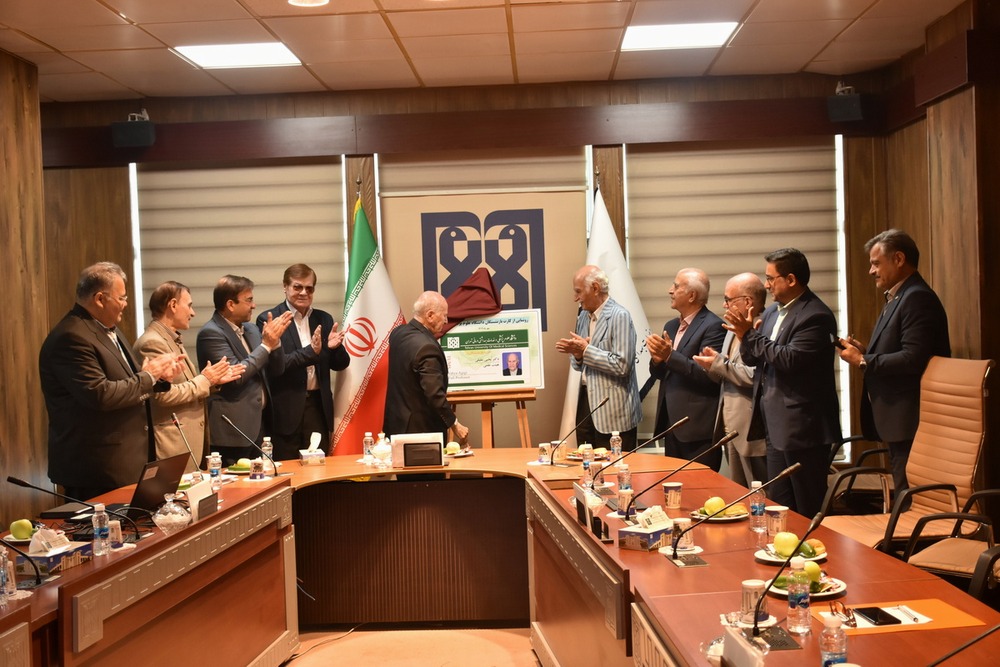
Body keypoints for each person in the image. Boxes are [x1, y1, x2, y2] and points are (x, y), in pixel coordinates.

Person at [40, 262, 181, 500]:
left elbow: (129, 382)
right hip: (96, 467)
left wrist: (158, 378)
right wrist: (149, 376)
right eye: (122, 298)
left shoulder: (108, 329)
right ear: (99, 299)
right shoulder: (71, 337)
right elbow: (101, 395)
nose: (126, 304)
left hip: (127, 460)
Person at [726, 248, 840, 517]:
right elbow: (754, 359)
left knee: (806, 505)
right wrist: (744, 336)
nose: (766, 285)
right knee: (779, 505)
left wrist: (749, 336)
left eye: (770, 278)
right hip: (774, 424)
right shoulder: (771, 314)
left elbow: (789, 359)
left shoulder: (816, 315)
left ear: (790, 279)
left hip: (804, 428)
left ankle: (812, 545)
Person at [837, 229, 950, 496]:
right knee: (903, 492)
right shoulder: (897, 296)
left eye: (876, 263)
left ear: (898, 259)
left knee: (910, 496)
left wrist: (863, 360)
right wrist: (866, 351)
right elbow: (899, 349)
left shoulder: (917, 297)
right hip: (897, 418)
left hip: (911, 418)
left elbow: (914, 358)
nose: (871, 271)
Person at [134, 281, 244, 472]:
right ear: (173, 305)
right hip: (171, 446)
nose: (193, 313)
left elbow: (185, 385)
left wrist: (212, 382)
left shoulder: (171, 338)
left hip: (188, 444)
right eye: (189, 305)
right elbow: (162, 395)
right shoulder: (152, 342)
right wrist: (205, 379)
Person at [196, 275, 293, 466]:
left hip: (260, 426)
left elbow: (277, 369)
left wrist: (275, 343)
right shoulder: (211, 333)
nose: (254, 305)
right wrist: (266, 345)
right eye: (249, 300)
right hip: (233, 430)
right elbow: (236, 377)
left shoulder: (251, 329)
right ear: (230, 304)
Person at [257, 264, 350, 460]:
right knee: (288, 471)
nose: (303, 293)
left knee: (318, 469)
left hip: (317, 407)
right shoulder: (270, 319)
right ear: (285, 287)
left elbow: (340, 364)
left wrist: (334, 348)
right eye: (297, 287)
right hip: (286, 410)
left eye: (309, 288)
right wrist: (312, 352)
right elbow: (277, 366)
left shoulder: (323, 318)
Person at [646, 268, 726, 470]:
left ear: (692, 296)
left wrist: (670, 356)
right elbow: (661, 374)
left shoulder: (714, 326)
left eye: (676, 286)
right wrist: (657, 361)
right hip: (672, 425)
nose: (670, 290)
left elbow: (709, 375)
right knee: (673, 485)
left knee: (700, 485)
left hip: (697, 428)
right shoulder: (671, 326)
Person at [693, 273, 769, 485]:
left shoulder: (764, 328)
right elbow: (728, 373)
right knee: (738, 493)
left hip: (751, 429)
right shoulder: (730, 329)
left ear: (747, 302)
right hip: (730, 426)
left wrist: (719, 364)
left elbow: (757, 377)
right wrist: (712, 364)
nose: (724, 305)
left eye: (728, 299)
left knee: (760, 494)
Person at [555, 265, 641, 450]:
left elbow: (622, 365)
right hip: (586, 405)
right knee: (586, 463)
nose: (575, 298)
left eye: (578, 291)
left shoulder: (620, 316)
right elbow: (579, 365)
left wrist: (586, 351)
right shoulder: (583, 317)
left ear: (595, 288)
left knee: (613, 466)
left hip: (614, 411)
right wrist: (578, 355)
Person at [383, 291, 469, 443]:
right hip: (420, 434)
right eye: (444, 315)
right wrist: (455, 424)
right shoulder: (427, 347)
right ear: (430, 316)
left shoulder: (397, 334)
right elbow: (434, 394)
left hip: (395, 427)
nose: (446, 320)